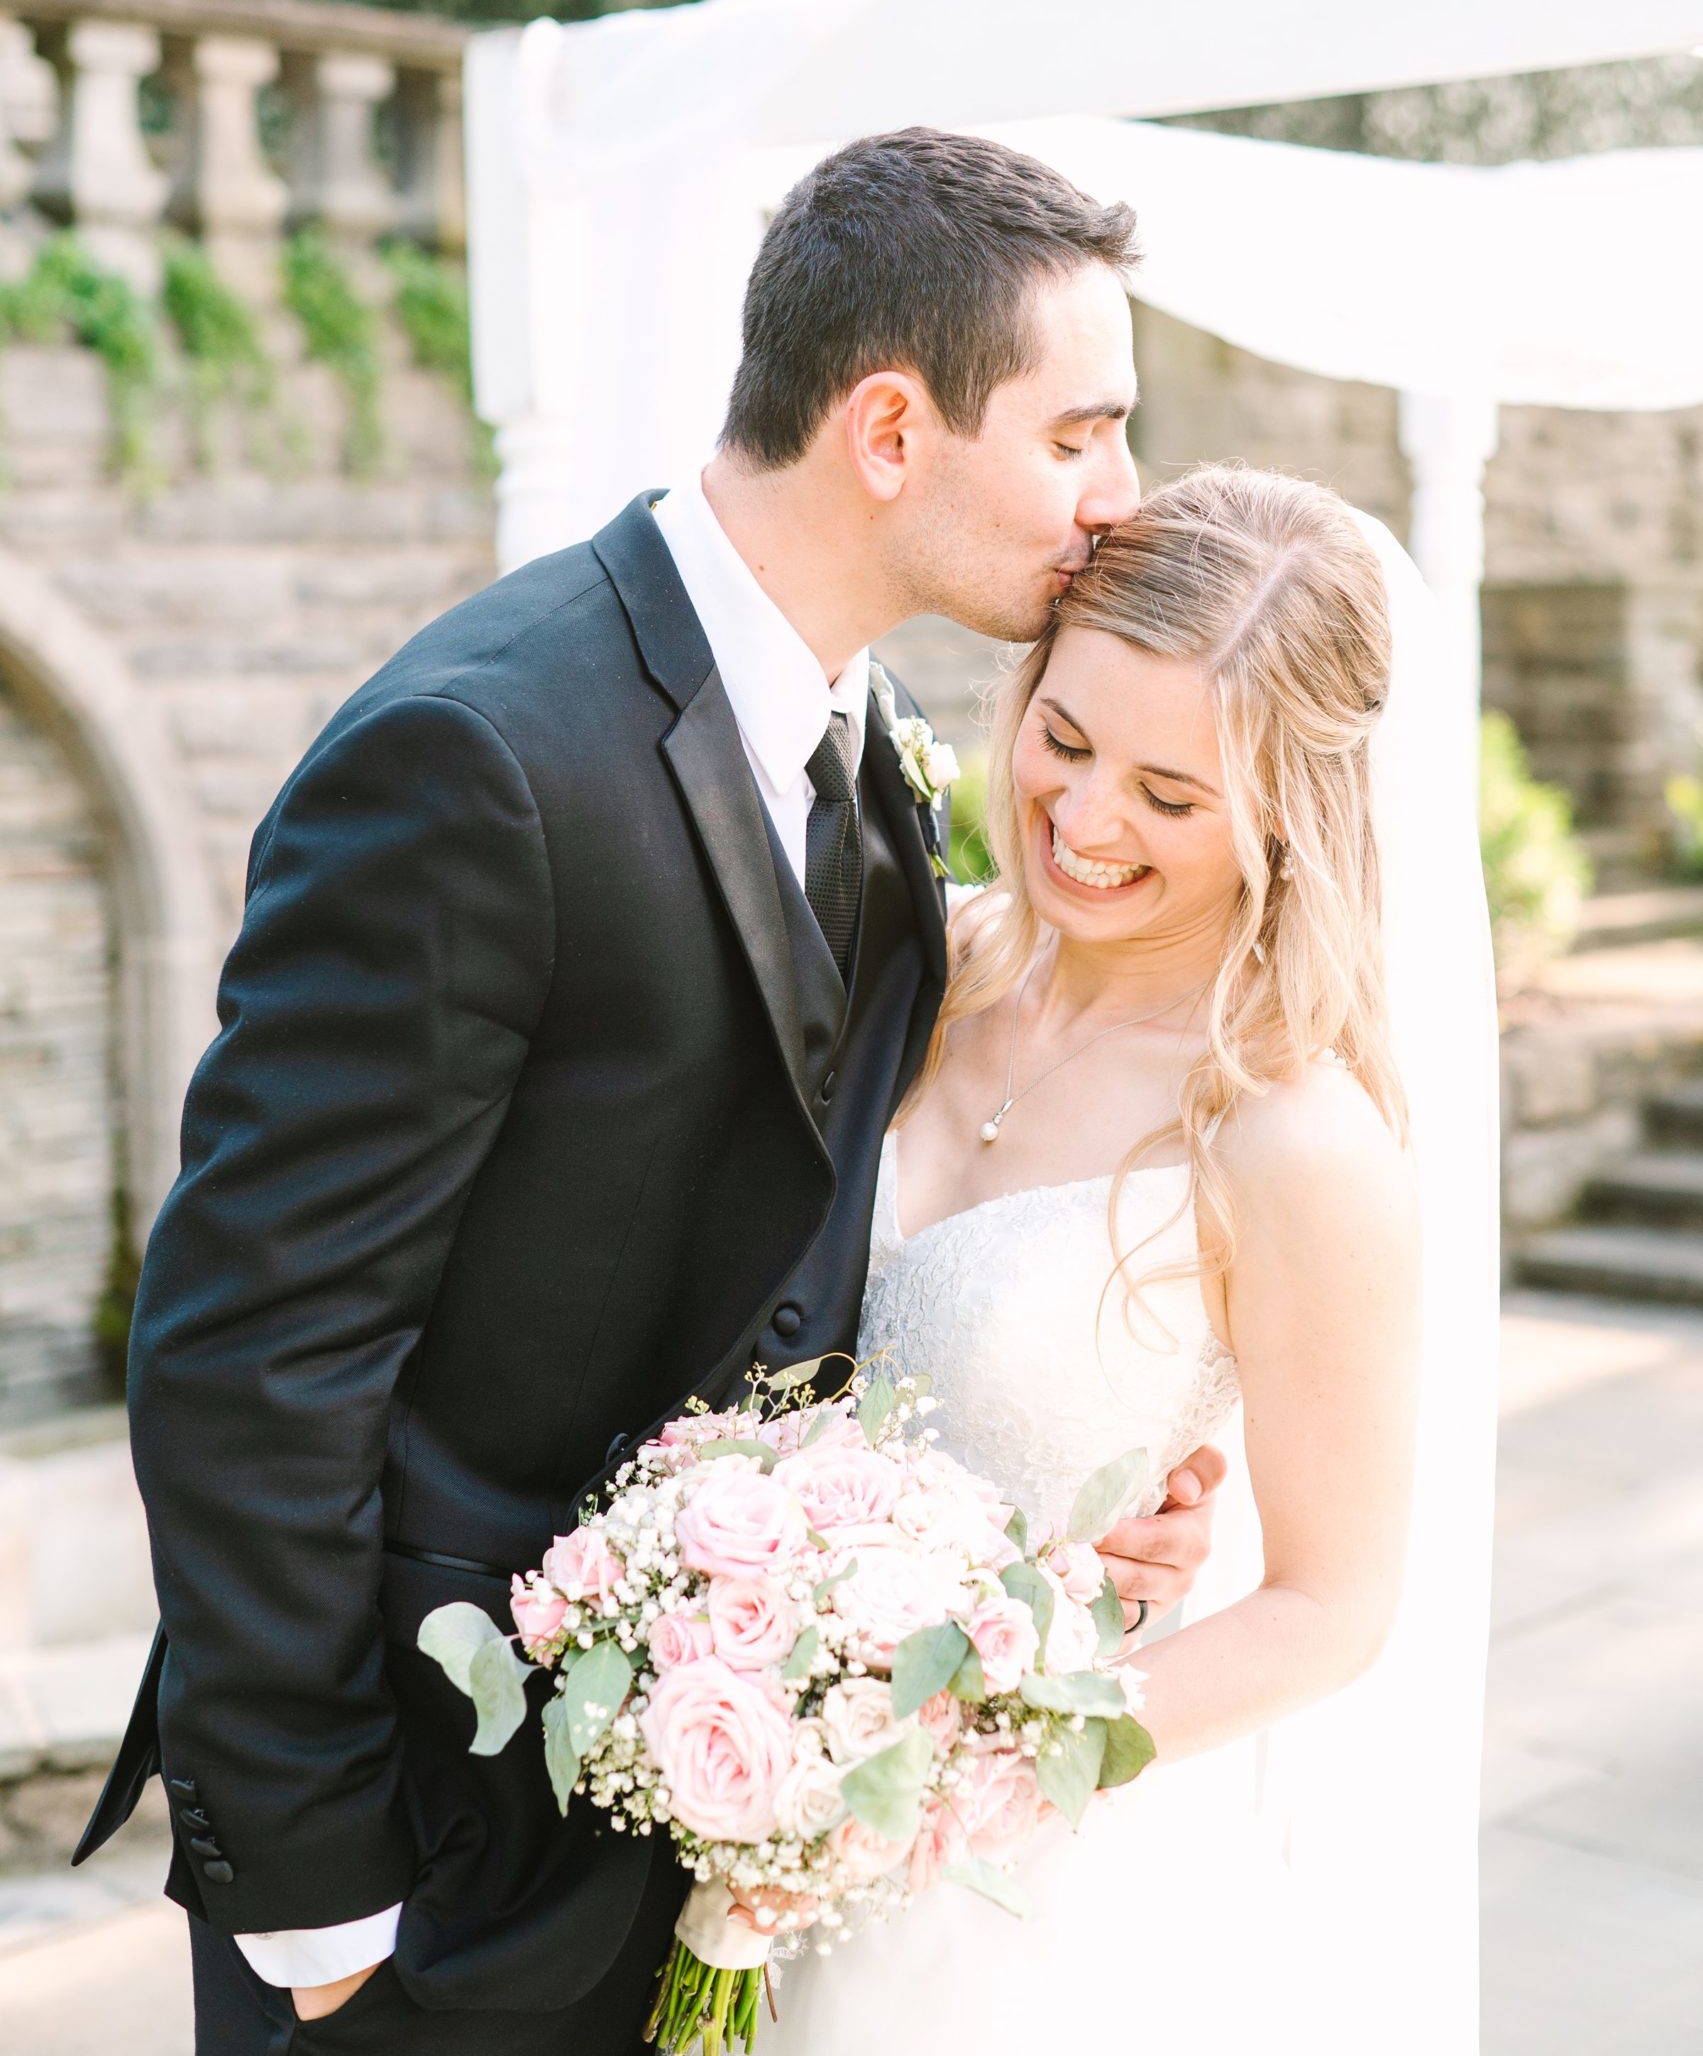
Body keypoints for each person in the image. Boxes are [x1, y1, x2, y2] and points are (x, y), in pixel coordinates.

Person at [74, 128, 1229, 2054]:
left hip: (721, 1825)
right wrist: (312, 1898)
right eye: (1077, 434)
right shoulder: (477, 756)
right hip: (418, 1869)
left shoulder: (881, 741)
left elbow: (799, 1243)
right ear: (887, 429)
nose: (1118, 499)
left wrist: (1034, 1534)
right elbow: (249, 1348)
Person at [768, 464, 1430, 2056]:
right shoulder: (918, 965)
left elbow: (1335, 1606)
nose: (1085, 819)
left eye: (1173, 796)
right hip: (750, 1791)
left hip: (1017, 1891)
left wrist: (988, 1749)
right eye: (1064, 740)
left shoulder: (1288, 1136)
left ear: (1287, 805)